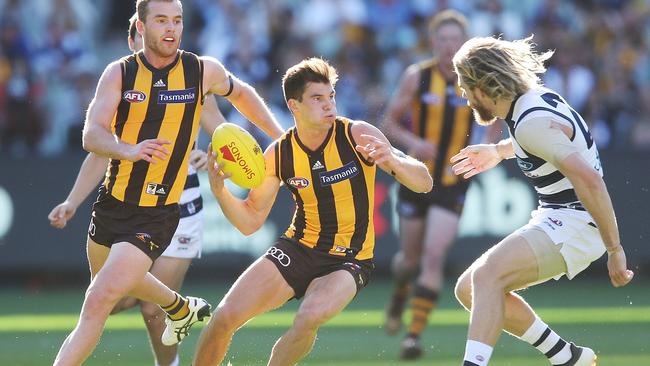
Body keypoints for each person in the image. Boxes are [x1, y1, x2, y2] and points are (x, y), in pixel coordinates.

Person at [53, 1, 283, 365]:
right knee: (112, 299)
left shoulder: (200, 71)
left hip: (159, 212)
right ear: (141, 28)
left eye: (176, 20)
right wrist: (125, 153)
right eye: (161, 21)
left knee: (101, 300)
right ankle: (179, 307)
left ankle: (170, 331)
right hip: (112, 204)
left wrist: (280, 137)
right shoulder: (119, 74)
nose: (171, 28)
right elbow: (92, 138)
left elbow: (240, 98)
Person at [193, 57, 433, 365]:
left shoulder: (356, 134)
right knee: (223, 317)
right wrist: (219, 191)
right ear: (294, 106)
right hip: (299, 248)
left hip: (350, 258)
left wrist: (396, 161)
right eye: (317, 98)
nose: (328, 104)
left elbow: (424, 183)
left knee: (309, 316)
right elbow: (250, 221)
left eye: (330, 96)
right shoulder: (279, 153)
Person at [449, 36, 633, 366]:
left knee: (487, 276)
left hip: (576, 220)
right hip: (560, 215)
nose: (463, 94)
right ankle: (567, 357)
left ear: (482, 84)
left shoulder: (530, 121)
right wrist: (498, 151)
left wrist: (615, 249)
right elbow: (543, 138)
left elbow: (589, 179)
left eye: (464, 85)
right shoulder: (531, 102)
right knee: (470, 288)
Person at [381, 10, 498, 359]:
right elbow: (388, 121)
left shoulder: (476, 81)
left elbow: (495, 121)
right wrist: (412, 143)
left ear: (464, 43)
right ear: (434, 43)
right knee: (409, 259)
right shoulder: (417, 77)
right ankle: (400, 291)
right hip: (416, 176)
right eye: (443, 39)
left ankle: (413, 336)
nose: (449, 46)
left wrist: (488, 150)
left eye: (455, 39)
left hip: (453, 179)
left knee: (433, 256)